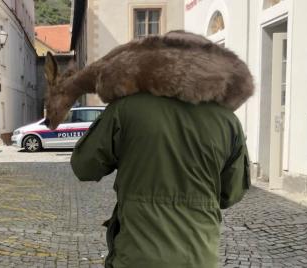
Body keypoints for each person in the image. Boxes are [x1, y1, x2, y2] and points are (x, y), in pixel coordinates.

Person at [71, 93, 250, 268]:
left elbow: (84, 166)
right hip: (199, 255)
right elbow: (230, 194)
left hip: (136, 255)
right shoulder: (227, 120)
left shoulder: (126, 108)